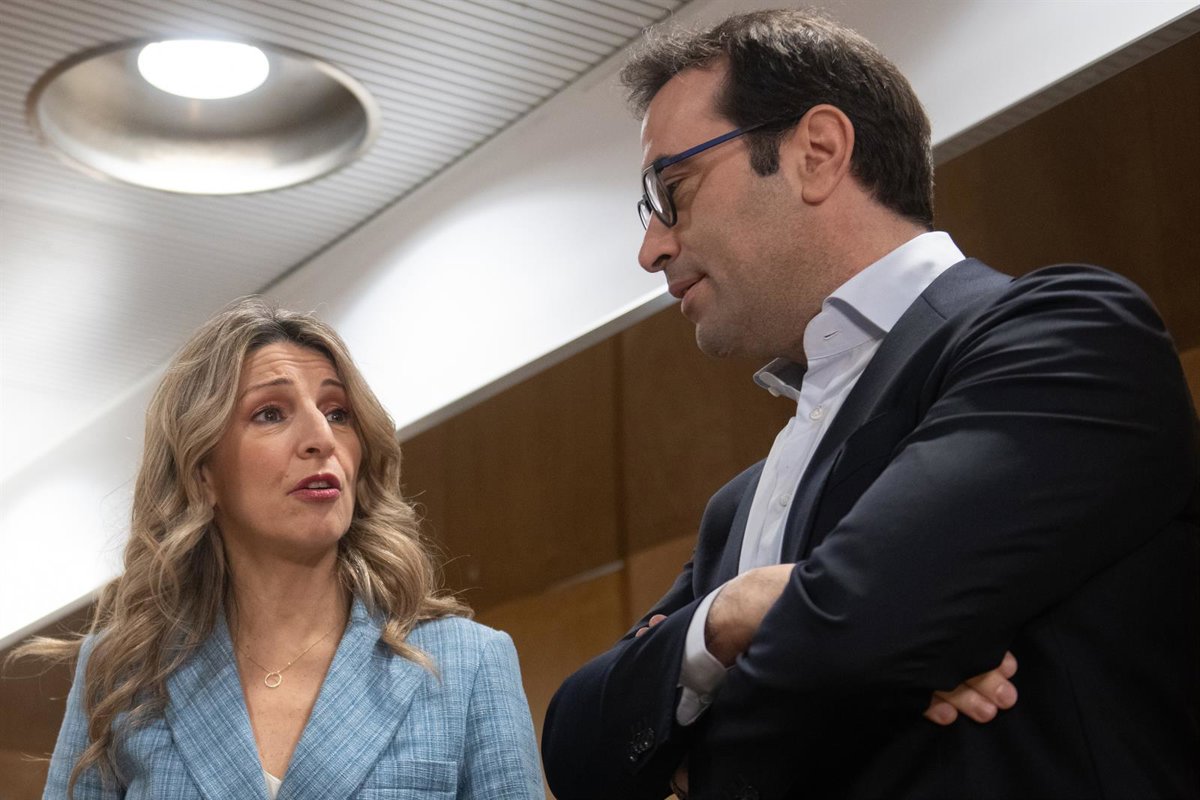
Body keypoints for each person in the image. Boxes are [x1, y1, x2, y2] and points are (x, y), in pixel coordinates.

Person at [542, 10, 1200, 800]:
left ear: (817, 153)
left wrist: (699, 745)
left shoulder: (1067, 336)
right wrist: (729, 615)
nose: (650, 248)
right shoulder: (738, 508)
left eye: (671, 191)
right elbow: (577, 750)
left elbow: (855, 634)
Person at [22, 297, 544, 799]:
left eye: (338, 413)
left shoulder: (467, 662)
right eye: (270, 413)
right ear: (203, 474)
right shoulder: (123, 672)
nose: (321, 437)